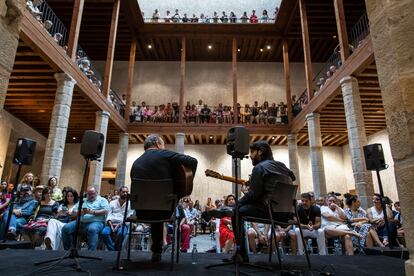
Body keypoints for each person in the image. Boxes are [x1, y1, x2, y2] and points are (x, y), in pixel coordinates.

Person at [211, 140, 296, 262]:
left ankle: (241, 254)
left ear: (260, 152)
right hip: (287, 213)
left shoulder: (259, 167)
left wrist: (235, 205)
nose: (250, 155)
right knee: (240, 208)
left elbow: (253, 195)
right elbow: (293, 177)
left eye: (252, 152)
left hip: (269, 211)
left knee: (237, 212)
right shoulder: (282, 166)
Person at [130, 134, 198, 262]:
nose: (164, 147)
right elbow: (193, 161)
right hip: (165, 210)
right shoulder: (165, 154)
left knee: (154, 206)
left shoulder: (136, 162)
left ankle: (156, 251)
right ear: (157, 143)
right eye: (163, 144)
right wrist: (183, 184)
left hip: (141, 212)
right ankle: (157, 251)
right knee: (159, 208)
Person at [61, 186, 110, 250]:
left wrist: (93, 212)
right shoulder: (83, 200)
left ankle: (90, 253)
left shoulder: (102, 200)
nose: (91, 195)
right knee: (65, 228)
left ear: (97, 192)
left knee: (92, 229)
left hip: (96, 222)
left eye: (93, 193)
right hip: (80, 222)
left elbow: (106, 211)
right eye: (89, 194)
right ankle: (68, 251)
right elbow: (74, 212)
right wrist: (82, 212)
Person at [101, 186, 134, 251]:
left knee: (121, 234)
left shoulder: (130, 204)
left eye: (127, 192)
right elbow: (109, 214)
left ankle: (116, 248)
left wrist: (118, 225)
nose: (125, 193)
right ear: (119, 193)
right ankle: (112, 250)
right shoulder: (112, 203)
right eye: (123, 192)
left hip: (122, 224)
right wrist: (111, 226)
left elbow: (128, 217)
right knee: (104, 233)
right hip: (111, 223)